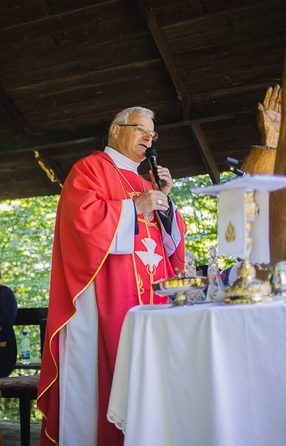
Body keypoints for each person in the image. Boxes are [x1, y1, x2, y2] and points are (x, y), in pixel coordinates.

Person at [37, 106, 187, 446]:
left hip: (152, 300)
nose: (149, 138)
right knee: (101, 382)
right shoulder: (89, 169)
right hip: (105, 300)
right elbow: (82, 224)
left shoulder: (144, 180)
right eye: (141, 130)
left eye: (153, 133)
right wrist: (135, 206)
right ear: (116, 130)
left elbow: (171, 245)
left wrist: (166, 199)